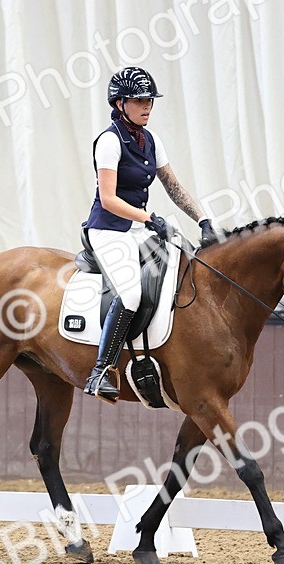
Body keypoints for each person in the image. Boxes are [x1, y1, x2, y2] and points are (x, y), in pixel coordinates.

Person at [81, 66, 217, 402]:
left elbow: (172, 184)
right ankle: (101, 371)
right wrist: (150, 218)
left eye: (149, 101)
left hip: (138, 230)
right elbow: (110, 199)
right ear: (120, 103)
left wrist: (203, 220)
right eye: (140, 100)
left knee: (179, 270)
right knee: (129, 294)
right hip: (108, 230)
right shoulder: (110, 141)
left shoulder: (150, 140)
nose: (147, 106)